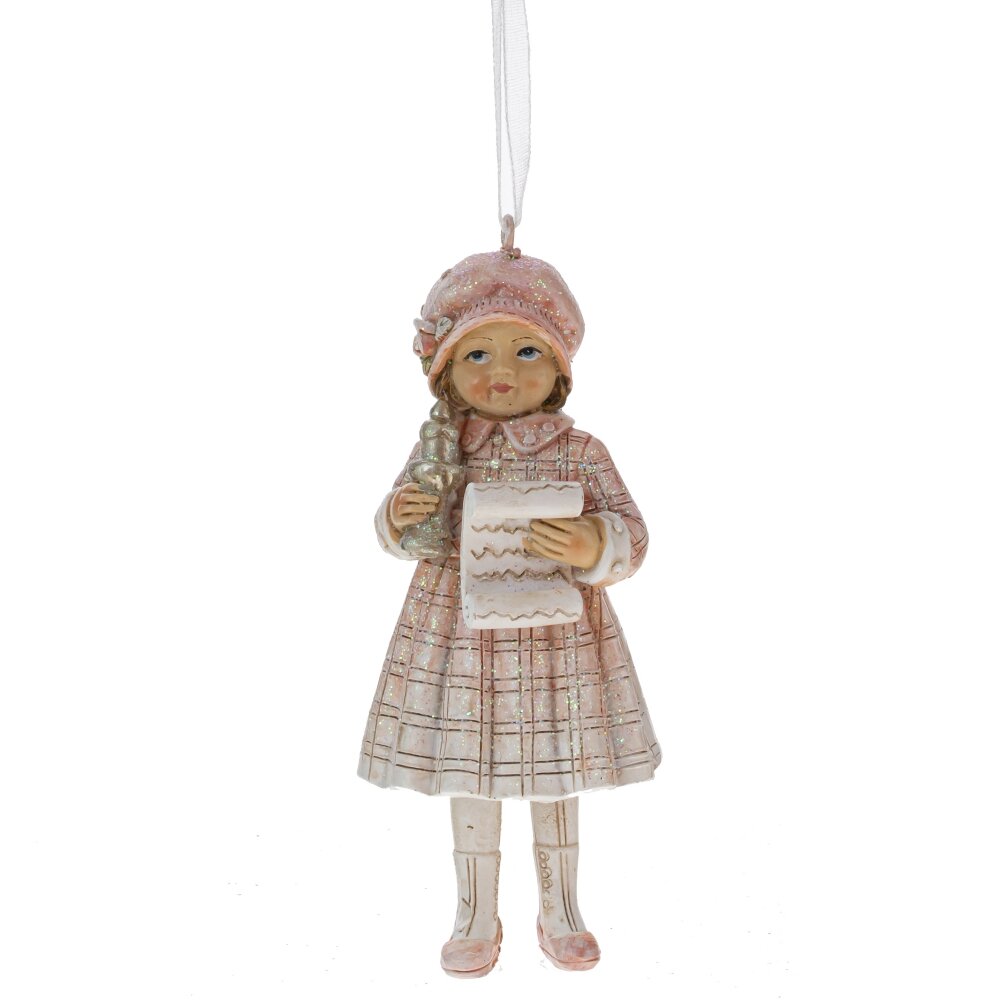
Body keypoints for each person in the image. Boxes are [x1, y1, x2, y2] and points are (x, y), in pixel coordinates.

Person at [357, 248, 661, 977]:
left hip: (556, 639)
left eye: (527, 351)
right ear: (445, 372)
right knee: (472, 772)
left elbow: (633, 531)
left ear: (559, 368)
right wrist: (399, 516)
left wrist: (595, 541)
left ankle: (561, 909)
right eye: (477, 353)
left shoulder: (580, 451)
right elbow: (397, 526)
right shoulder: (441, 448)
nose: (503, 371)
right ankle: (474, 913)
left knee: (554, 770)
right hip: (459, 636)